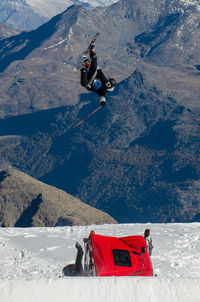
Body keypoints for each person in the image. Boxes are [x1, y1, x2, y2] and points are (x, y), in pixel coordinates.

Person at [80, 40, 116, 106]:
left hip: (89, 84)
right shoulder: (104, 80)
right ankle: (92, 51)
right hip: (92, 76)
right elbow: (99, 71)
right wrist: (94, 64)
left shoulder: (103, 91)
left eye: (108, 84)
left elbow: (102, 97)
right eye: (108, 82)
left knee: (84, 84)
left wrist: (103, 102)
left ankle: (84, 69)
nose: (106, 83)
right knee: (94, 68)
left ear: (109, 87)